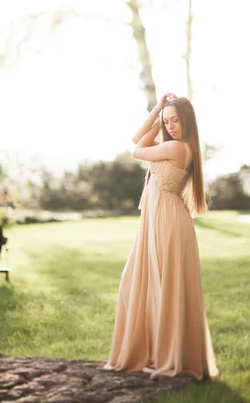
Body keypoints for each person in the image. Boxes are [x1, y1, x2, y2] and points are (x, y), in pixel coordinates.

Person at [103, 93, 219, 381]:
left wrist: (158, 118)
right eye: (168, 122)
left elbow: (137, 150)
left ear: (187, 121)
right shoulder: (171, 145)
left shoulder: (179, 149)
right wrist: (157, 112)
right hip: (156, 219)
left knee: (163, 287)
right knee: (142, 282)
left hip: (168, 222)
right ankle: (158, 352)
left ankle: (171, 357)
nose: (171, 126)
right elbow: (137, 140)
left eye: (175, 120)